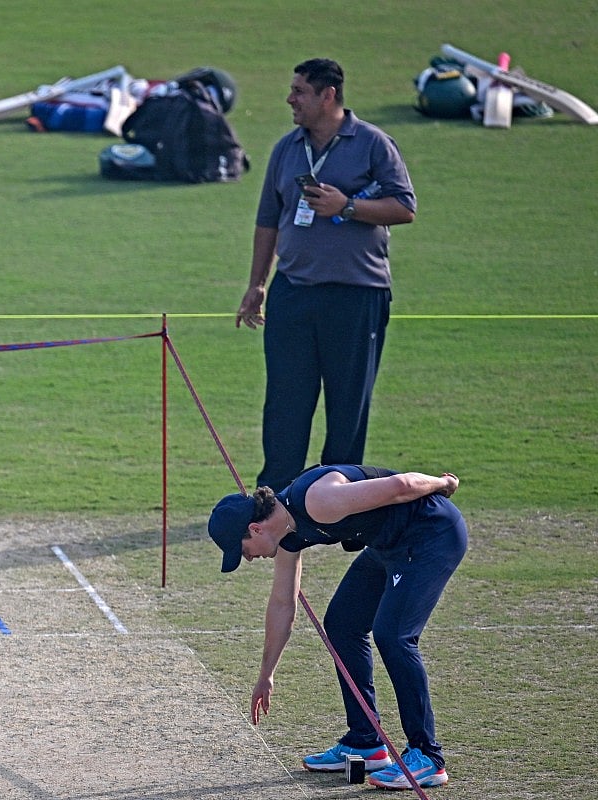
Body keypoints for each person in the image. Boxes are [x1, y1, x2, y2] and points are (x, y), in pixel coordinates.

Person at [207, 464, 467, 789]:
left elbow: (401, 485)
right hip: (388, 544)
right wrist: (265, 675)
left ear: (256, 529)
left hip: (431, 534)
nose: (246, 558)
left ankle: (427, 757)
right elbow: (282, 606)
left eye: (242, 550)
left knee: (394, 635)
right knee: (342, 623)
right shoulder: (287, 537)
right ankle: (366, 741)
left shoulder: (317, 501)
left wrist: (443, 483)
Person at [236, 59, 417, 492]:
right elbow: (268, 220)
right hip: (293, 292)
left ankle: (336, 498)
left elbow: (405, 208)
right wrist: (258, 283)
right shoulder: (286, 148)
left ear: (327, 96)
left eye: (299, 91)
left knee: (347, 405)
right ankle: (275, 495)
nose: (290, 99)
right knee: (284, 401)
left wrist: (347, 207)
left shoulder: (373, 144)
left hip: (356, 296)